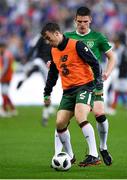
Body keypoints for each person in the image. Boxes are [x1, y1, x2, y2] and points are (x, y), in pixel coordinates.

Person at [54, 6, 115, 166]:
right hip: (75, 84)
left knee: (99, 114)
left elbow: (111, 57)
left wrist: (107, 72)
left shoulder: (98, 37)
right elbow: (59, 54)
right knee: (65, 119)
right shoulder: (68, 36)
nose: (82, 24)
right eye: (79, 21)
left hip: (94, 81)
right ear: (75, 20)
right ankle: (64, 154)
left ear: (90, 20)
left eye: (85, 21)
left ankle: (103, 147)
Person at [41, 22, 103, 167]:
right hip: (68, 91)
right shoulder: (54, 51)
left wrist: (98, 85)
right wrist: (47, 93)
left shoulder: (77, 45)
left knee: (80, 115)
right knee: (59, 123)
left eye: (49, 38)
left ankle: (93, 155)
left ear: (57, 33)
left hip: (85, 86)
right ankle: (70, 155)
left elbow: (95, 63)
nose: (48, 42)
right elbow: (53, 74)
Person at [16, 34, 55, 125]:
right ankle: (46, 114)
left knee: (47, 90)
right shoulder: (44, 37)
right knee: (36, 65)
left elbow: (33, 48)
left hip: (47, 65)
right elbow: (34, 48)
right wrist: (27, 57)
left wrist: (27, 58)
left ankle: (47, 111)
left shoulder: (45, 38)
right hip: (43, 62)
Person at [0, 41, 17, 117]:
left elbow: (5, 67)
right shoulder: (8, 54)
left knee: (4, 93)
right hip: (8, 76)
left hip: (6, 77)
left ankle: (4, 110)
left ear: (2, 48)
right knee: (5, 93)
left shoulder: (6, 55)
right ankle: (12, 109)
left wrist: (1, 75)